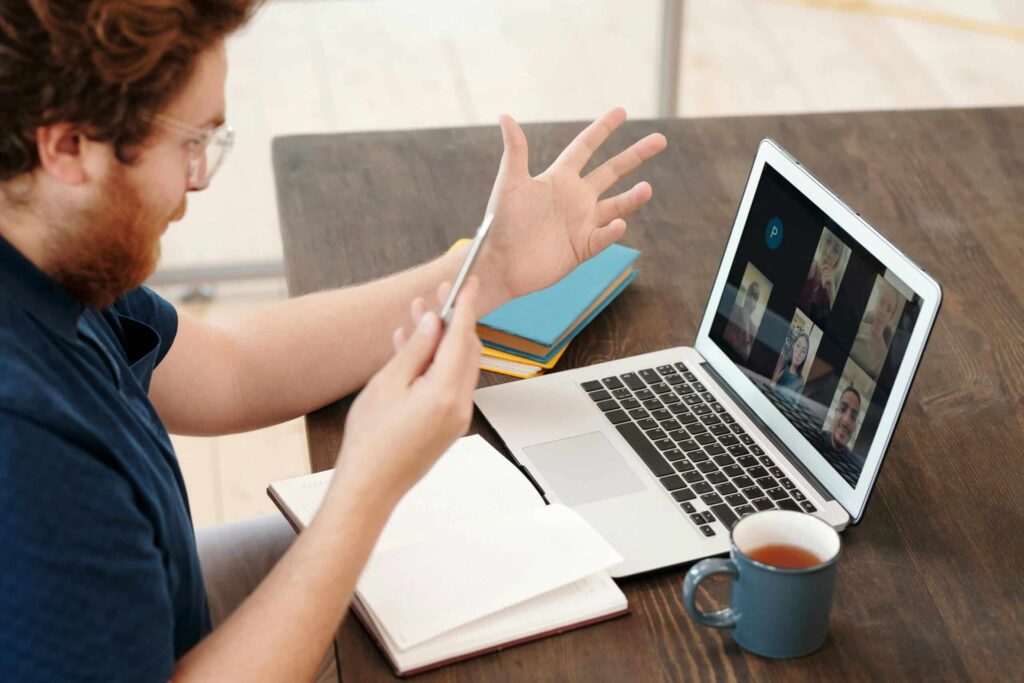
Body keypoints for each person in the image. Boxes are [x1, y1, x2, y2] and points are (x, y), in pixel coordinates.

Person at [0, 2, 667, 681]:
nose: (197, 181)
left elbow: (233, 369)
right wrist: (366, 486)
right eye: (188, 143)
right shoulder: (25, 449)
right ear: (67, 147)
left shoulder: (47, 253)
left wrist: (487, 269)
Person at [850, 281, 901, 379]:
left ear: (891, 317)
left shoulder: (884, 359)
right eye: (881, 302)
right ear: (876, 302)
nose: (882, 311)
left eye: (889, 309)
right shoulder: (856, 326)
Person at [798, 230, 844, 321]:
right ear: (822, 241)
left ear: (838, 260)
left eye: (835, 250)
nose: (828, 252)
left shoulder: (833, 293)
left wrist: (832, 295)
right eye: (828, 241)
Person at [723, 280, 760, 359]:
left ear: (756, 305)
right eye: (751, 294)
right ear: (746, 295)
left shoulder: (754, 330)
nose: (752, 299)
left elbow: (747, 356)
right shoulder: (733, 308)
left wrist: (746, 327)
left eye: (755, 298)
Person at [771, 330, 809, 403]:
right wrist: (774, 379)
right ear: (793, 346)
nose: (799, 353)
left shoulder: (800, 384)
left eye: (803, 351)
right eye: (798, 346)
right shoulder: (781, 364)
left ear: (805, 357)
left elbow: (792, 408)